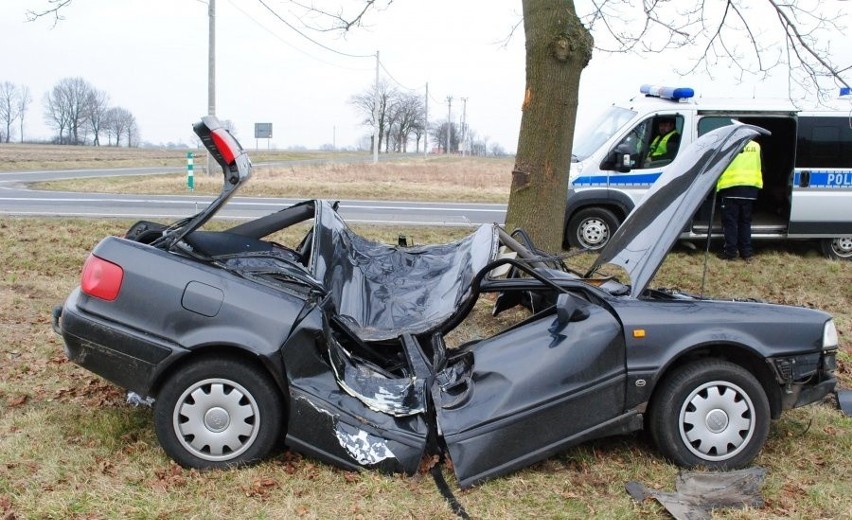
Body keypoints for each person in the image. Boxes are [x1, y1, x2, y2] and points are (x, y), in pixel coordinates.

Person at [716, 140, 763, 261]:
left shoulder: (729, 144)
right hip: (750, 189)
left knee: (730, 223)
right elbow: (762, 165)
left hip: (731, 188)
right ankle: (746, 253)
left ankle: (731, 253)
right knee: (745, 222)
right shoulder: (756, 146)